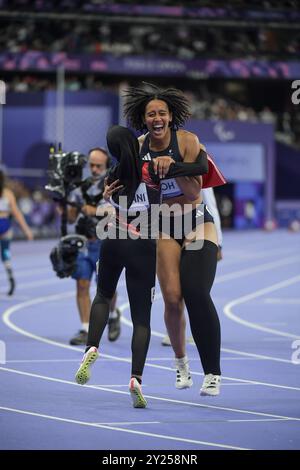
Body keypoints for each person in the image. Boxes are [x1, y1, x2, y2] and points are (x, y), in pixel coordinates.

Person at [75, 125, 209, 408]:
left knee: (102, 296)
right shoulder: (152, 169)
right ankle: (136, 378)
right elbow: (199, 167)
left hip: (113, 237)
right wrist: (196, 154)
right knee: (141, 320)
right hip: (143, 243)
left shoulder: (112, 176)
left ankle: (92, 346)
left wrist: (107, 197)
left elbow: (106, 199)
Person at [123, 83, 226, 396]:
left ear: (170, 117)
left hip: (196, 222)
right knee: (171, 299)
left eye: (162, 113)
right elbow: (127, 185)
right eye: (151, 113)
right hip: (165, 226)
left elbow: (196, 191)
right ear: (144, 119)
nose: (157, 118)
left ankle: (213, 372)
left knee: (196, 292)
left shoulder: (187, 141)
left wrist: (173, 169)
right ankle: (181, 362)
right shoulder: (139, 146)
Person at [67, 148, 121, 345]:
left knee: (106, 287)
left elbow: (109, 212)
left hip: (104, 243)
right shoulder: (79, 187)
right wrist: (66, 203)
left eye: (99, 165)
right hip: (83, 242)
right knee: (82, 285)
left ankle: (114, 314)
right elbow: (72, 217)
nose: (95, 169)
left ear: (106, 166)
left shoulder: (113, 185)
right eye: (91, 165)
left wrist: (85, 207)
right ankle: (85, 328)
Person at [161, 186, 223, 346]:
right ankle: (177, 331)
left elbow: (210, 205)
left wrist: (219, 241)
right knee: (173, 290)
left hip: (197, 225)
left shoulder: (199, 167)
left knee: (193, 287)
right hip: (166, 225)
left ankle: (198, 328)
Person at [0, 169, 33, 295]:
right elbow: (17, 214)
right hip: (5, 226)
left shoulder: (8, 194)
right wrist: (27, 230)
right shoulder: (8, 194)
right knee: (5, 253)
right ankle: (10, 276)